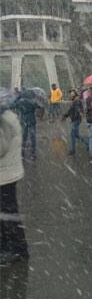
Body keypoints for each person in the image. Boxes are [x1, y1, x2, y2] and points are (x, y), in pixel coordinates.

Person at [0, 108, 29, 265]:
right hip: (8, 173)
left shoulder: (3, 120)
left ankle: (16, 250)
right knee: (7, 212)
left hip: (4, 176)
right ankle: (13, 248)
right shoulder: (9, 115)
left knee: (7, 214)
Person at [12, 91, 38, 161]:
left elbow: (12, 105)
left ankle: (22, 154)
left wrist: (17, 97)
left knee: (24, 138)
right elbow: (39, 106)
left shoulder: (20, 102)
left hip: (24, 121)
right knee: (33, 138)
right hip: (32, 121)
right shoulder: (32, 102)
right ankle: (33, 154)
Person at [62, 89, 89, 156]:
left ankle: (72, 150)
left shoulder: (76, 101)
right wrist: (65, 116)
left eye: (71, 95)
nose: (70, 96)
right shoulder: (75, 101)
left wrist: (80, 112)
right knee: (76, 135)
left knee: (72, 134)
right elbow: (70, 110)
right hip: (75, 119)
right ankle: (88, 143)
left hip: (76, 120)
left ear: (74, 95)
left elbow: (77, 109)